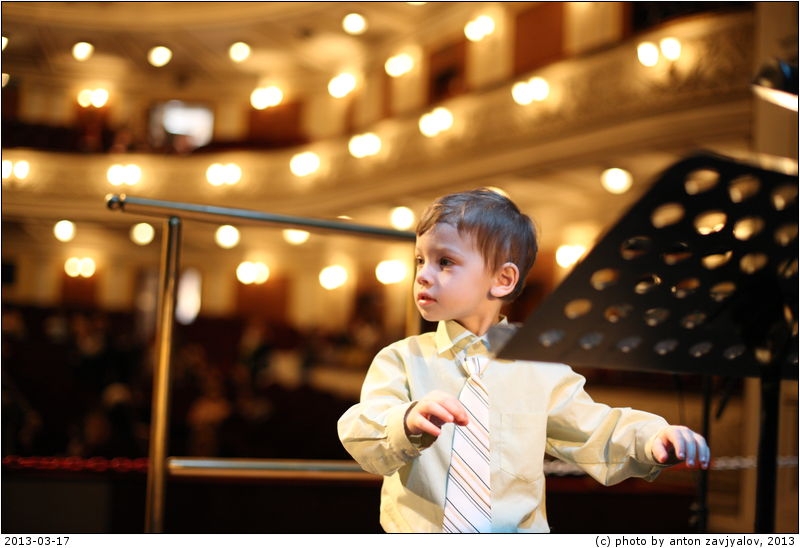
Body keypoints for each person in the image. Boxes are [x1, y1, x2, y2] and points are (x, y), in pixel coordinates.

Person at [337, 188, 710, 533]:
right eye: (420, 260)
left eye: (445, 261)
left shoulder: (539, 365)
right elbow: (361, 433)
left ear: (502, 279)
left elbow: (595, 428)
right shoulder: (401, 358)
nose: (423, 275)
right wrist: (405, 421)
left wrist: (652, 438)